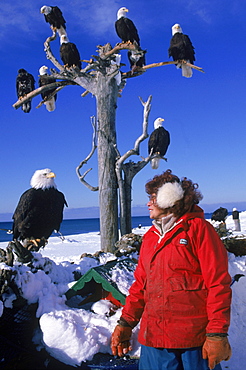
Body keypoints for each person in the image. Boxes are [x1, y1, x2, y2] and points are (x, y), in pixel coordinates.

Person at [111, 170, 232, 370]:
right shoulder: (150, 238)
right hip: (154, 341)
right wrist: (125, 323)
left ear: (170, 198)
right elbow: (140, 285)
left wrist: (217, 334)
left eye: (153, 198)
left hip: (194, 342)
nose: (148, 203)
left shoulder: (199, 230)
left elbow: (218, 284)